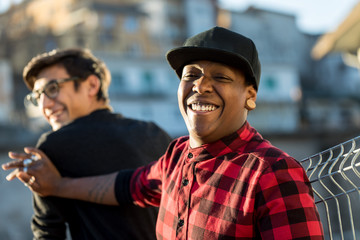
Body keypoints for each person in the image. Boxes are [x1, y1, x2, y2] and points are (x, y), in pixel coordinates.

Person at [3, 27, 324, 239]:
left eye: (221, 77)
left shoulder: (272, 172)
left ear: (250, 95)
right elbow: (126, 186)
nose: (201, 85)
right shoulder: (176, 156)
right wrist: (57, 184)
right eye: (192, 75)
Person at [3, 48, 172, 239]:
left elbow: (48, 232)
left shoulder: (54, 146)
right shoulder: (156, 134)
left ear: (92, 85)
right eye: (37, 97)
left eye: (52, 89)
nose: (44, 105)